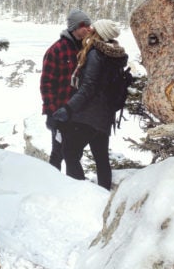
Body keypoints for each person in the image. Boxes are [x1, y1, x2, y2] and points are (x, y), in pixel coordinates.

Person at [52, 19, 128, 190]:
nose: (90, 29)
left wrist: (68, 108)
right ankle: (103, 196)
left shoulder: (96, 54)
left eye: (94, 27)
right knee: (101, 159)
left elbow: (88, 87)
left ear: (99, 33)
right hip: (105, 115)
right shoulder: (115, 54)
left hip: (88, 115)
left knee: (69, 153)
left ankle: (81, 194)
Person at [40, 8, 92, 170]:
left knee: (74, 154)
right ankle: (52, 185)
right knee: (58, 152)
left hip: (79, 112)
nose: (88, 28)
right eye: (84, 25)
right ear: (74, 27)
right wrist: (51, 112)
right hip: (61, 112)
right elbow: (46, 84)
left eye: (89, 24)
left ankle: (71, 188)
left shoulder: (86, 50)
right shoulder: (56, 50)